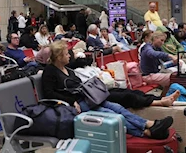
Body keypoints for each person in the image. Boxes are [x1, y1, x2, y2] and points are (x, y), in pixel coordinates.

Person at [42, 41, 173, 139]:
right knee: (114, 115)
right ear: (59, 57)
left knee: (118, 108)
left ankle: (150, 124)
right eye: (66, 54)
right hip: (76, 104)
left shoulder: (67, 68)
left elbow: (78, 80)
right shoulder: (50, 71)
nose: (69, 56)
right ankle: (146, 132)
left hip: (87, 98)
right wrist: (71, 101)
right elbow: (49, 93)